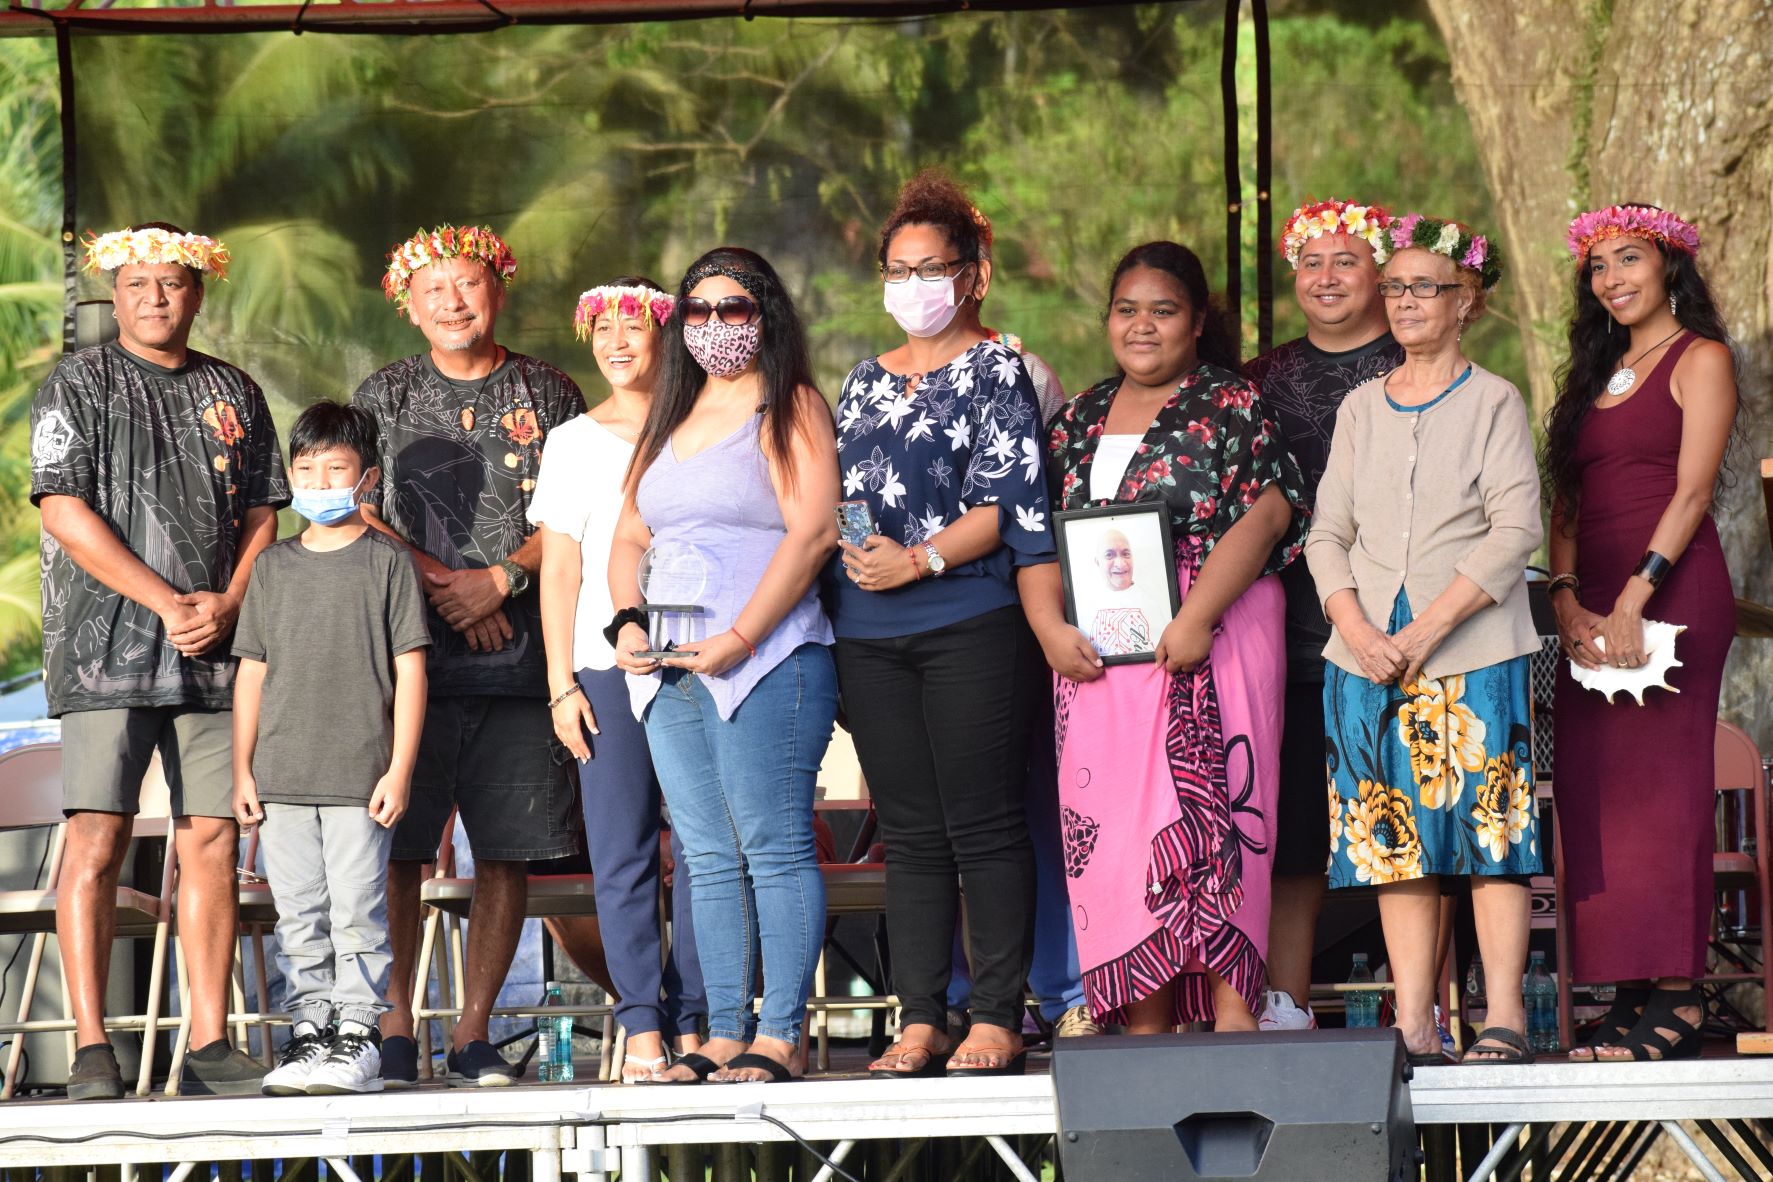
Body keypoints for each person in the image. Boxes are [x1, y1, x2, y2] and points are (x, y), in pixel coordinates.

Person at [31, 224, 286, 1099]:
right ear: (116, 291)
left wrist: (229, 599)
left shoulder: (234, 391)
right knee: (95, 839)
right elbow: (63, 509)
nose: (155, 298)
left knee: (213, 839)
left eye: (171, 284)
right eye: (138, 284)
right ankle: (93, 1045)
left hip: (216, 651)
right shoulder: (79, 381)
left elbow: (263, 513)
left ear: (199, 291)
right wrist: (164, 600)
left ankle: (210, 1040)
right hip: (103, 648)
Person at [1027, 241, 1307, 1035]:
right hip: (1100, 657)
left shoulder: (1228, 402)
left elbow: (1268, 513)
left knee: (1217, 819)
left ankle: (1231, 1018)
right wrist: (1049, 629)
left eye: (1162, 309)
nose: (1141, 325)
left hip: (1212, 632)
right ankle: (1144, 1027)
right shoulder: (1076, 417)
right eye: (1126, 309)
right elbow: (1039, 541)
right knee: (1116, 836)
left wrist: (1195, 617)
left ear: (1195, 324)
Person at [351, 224, 586, 1087]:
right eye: (435, 289)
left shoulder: (551, 391)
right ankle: (394, 1026)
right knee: (402, 850)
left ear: (500, 289)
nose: (454, 300)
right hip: (409, 666)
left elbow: (575, 514)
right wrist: (449, 584)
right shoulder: (383, 395)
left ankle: (477, 1030)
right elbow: (350, 508)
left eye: (469, 283)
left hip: (525, 665)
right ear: (407, 306)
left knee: (506, 850)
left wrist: (501, 580)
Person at [832, 172, 1054, 1077]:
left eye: (931, 266)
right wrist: (858, 561)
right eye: (897, 267)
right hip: (868, 632)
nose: (913, 283)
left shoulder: (998, 368)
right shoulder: (855, 380)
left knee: (986, 823)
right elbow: (839, 499)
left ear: (971, 275)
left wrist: (918, 559)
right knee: (911, 831)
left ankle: (997, 1014)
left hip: (971, 620)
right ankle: (919, 1018)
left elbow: (1006, 502)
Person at [1308, 213, 1543, 1065]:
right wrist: (1359, 629)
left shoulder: (1493, 399)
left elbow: (1515, 528)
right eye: (1396, 286)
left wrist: (1425, 629)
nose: (1405, 302)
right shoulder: (1359, 407)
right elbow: (1323, 533)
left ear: (1465, 302)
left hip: (1471, 649)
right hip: (1363, 659)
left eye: (1425, 288)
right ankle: (1413, 1025)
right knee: (1391, 838)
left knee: (1490, 834)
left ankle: (1504, 1018)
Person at [610, 247, 839, 1085]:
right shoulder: (670, 415)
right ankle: (719, 1028)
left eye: (732, 310)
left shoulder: (792, 407)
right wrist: (627, 621)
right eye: (697, 312)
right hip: (668, 669)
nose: (713, 327)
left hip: (766, 658)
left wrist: (740, 637)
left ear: (765, 316)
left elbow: (812, 533)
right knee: (705, 855)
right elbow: (631, 536)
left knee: (772, 847)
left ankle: (778, 1032)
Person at [1545, 205, 1737, 1062]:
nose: (1612, 279)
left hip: (1672, 588)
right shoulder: (1590, 376)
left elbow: (1692, 492)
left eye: (1628, 259)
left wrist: (1633, 597)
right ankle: (1624, 987)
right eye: (1597, 267)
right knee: (1598, 796)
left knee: (1660, 790)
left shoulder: (1701, 359)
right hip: (1587, 604)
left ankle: (1678, 995)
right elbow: (1566, 502)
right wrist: (1563, 600)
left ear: (1668, 267)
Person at [531, 277, 706, 1082]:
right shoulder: (571, 441)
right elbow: (560, 568)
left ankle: (704, 1017)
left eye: (633, 328)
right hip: (604, 668)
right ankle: (641, 1026)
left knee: (708, 847)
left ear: (667, 335)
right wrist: (561, 683)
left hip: (702, 657)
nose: (616, 343)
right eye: (601, 331)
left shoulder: (706, 423)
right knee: (621, 849)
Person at [231, 402, 429, 1096]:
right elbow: (251, 670)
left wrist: (399, 769)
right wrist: (241, 772)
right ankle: (310, 1032)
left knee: (356, 911)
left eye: (336, 468)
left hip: (358, 776)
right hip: (281, 776)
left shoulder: (386, 563)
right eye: (306, 469)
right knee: (299, 913)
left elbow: (411, 669)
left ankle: (359, 1037)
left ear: (366, 477)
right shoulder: (273, 567)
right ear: (290, 476)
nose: (319, 481)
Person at [1244, 198, 1403, 1033]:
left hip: (1403, 634)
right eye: (1311, 263)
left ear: (1381, 273)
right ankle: (1282, 1004)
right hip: (1294, 637)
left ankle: (1424, 1009)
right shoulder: (1258, 379)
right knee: (1296, 832)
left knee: (1413, 825)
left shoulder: (1418, 364)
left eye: (1345, 260)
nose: (1326, 277)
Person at [1079, 527, 1152, 656]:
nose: (1120, 563)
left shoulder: (1152, 602)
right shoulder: (1085, 607)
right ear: (1097, 562)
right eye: (1109, 555)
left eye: (1125, 554)